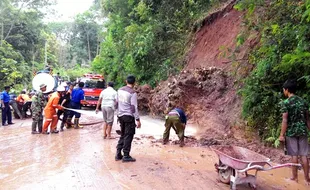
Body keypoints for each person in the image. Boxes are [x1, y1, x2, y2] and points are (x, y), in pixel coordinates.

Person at [279, 79, 310, 185]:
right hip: (303, 131)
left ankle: (294, 178)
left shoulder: (286, 103)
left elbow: (285, 120)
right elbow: (307, 119)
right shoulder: (303, 102)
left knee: (294, 155)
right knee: (304, 155)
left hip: (291, 132)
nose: (284, 91)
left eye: (284, 89)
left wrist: (281, 135)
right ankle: (307, 180)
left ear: (287, 90)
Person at [115, 75, 141, 162]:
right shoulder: (132, 93)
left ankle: (118, 154)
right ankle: (126, 155)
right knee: (128, 135)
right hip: (129, 117)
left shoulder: (119, 90)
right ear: (134, 83)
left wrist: (118, 113)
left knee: (123, 134)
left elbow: (116, 103)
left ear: (126, 81)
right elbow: (133, 107)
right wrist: (137, 119)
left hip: (121, 116)